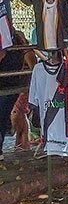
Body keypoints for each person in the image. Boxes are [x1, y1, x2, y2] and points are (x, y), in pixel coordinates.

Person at [0, 31, 35, 161]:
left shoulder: (19, 42)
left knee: (14, 114)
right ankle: (21, 145)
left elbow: (32, 63)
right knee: (13, 115)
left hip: (18, 85)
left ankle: (22, 144)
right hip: (15, 84)